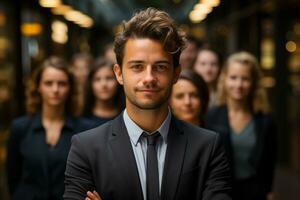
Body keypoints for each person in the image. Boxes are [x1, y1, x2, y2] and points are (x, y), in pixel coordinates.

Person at [64, 8, 232, 200]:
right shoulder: (86, 147)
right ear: (119, 73)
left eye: (160, 67)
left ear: (176, 73)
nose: (149, 78)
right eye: (137, 67)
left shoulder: (208, 146)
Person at [6, 56, 91, 200]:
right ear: (38, 86)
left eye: (62, 83)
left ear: (70, 88)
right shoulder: (20, 128)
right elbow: (12, 178)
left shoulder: (85, 130)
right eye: (48, 83)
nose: (55, 89)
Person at [206, 52, 277, 200]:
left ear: (253, 83)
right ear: (224, 79)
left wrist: (269, 191)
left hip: (255, 193)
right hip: (220, 193)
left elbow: (269, 161)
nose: (239, 85)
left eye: (245, 79)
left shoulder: (265, 120)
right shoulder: (211, 116)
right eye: (233, 78)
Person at [82, 57, 124, 128]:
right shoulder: (80, 120)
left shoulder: (128, 118)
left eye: (109, 78)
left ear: (118, 80)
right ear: (90, 84)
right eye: (97, 79)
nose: (104, 84)